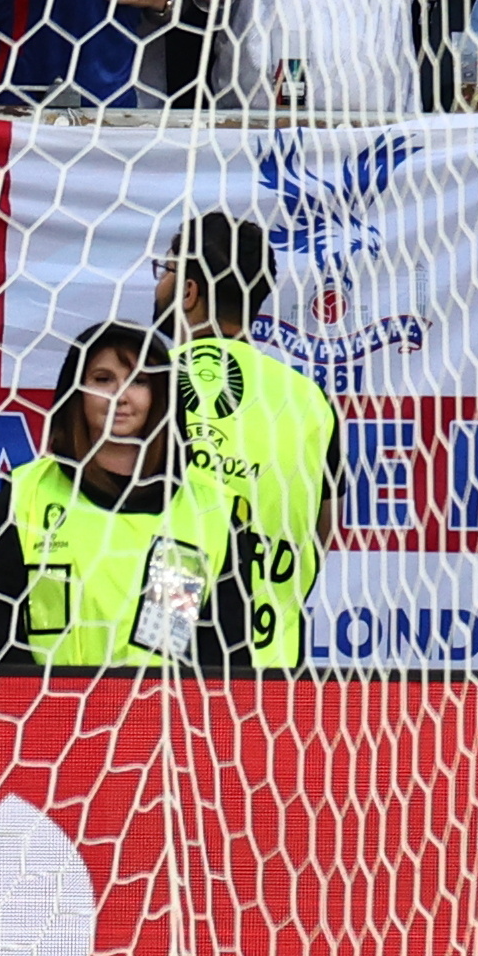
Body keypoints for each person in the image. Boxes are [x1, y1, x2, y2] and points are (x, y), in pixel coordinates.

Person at [0, 321, 250, 671]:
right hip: (48, 717)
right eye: (103, 379)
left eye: (139, 381)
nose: (122, 394)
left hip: (164, 720)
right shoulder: (26, 495)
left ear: (160, 394)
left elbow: (226, 654)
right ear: (78, 391)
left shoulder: (210, 511)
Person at [162, 214, 335, 675]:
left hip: (163, 662)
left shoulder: (148, 383)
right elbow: (319, 531)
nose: (158, 283)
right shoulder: (310, 401)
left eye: (164, 269)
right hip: (272, 670)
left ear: (189, 291)